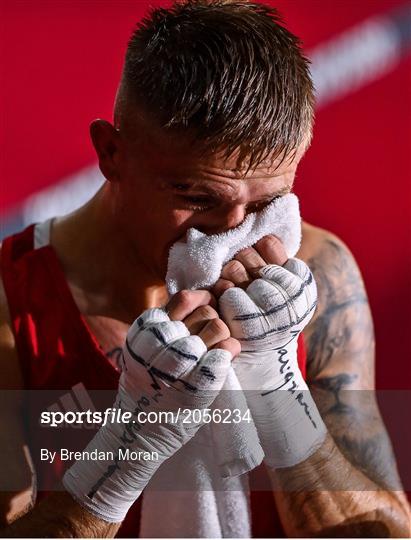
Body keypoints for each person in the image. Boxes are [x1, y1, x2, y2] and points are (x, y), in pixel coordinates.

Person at [0, 0, 410, 537]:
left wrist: (277, 389)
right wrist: (127, 450)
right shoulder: (15, 303)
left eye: (268, 203)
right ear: (111, 153)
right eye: (196, 197)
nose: (228, 232)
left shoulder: (318, 271)